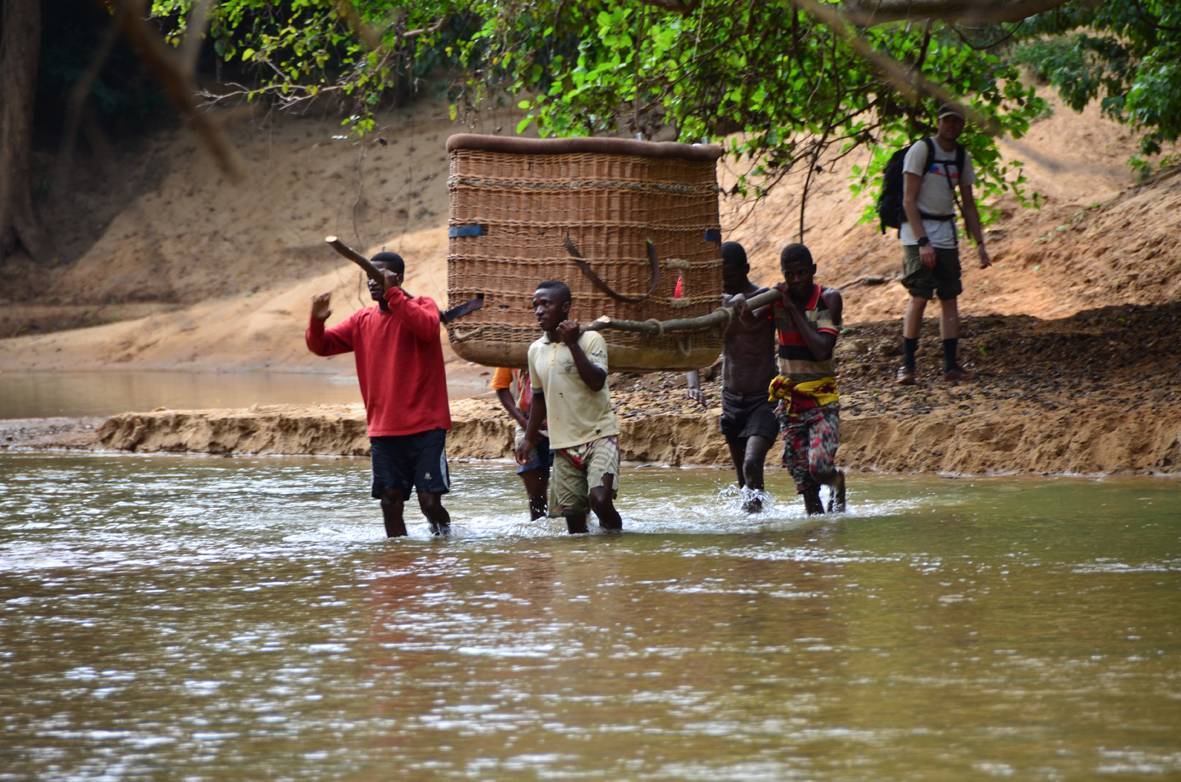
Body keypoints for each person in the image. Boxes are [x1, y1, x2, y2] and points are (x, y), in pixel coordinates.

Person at [306, 251, 452, 538]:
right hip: (384, 430)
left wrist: (394, 295)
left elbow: (426, 329)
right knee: (390, 502)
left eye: (378, 276)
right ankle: (397, 564)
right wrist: (316, 321)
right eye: (369, 277)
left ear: (397, 278)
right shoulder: (362, 319)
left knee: (430, 503)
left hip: (426, 427)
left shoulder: (423, 306)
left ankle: (446, 542)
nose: (372, 283)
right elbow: (321, 346)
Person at [515, 280, 622, 534]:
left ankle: (617, 546)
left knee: (600, 500)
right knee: (573, 522)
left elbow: (596, 382)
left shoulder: (591, 339)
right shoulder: (535, 351)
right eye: (535, 305)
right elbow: (538, 398)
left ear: (565, 307)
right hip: (562, 444)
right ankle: (583, 569)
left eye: (546, 304)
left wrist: (572, 343)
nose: (539, 311)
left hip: (600, 436)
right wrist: (529, 439)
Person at [897, 103, 992, 385]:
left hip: (946, 231)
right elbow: (908, 200)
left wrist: (980, 243)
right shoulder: (921, 150)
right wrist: (923, 242)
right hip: (917, 232)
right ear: (938, 122)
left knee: (950, 296)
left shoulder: (962, 156)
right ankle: (907, 365)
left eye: (956, 122)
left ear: (962, 126)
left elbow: (969, 203)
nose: (951, 126)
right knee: (920, 295)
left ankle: (951, 365)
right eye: (946, 121)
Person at [769, 243, 846, 515]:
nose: (797, 280)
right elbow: (750, 324)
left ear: (813, 271)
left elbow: (821, 348)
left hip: (822, 399)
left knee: (820, 466)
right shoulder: (776, 301)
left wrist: (791, 309)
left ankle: (837, 482)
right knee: (803, 480)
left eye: (802, 273)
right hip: (790, 404)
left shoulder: (827, 299)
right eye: (790, 275)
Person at [713, 241, 779, 513]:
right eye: (721, 276)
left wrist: (740, 305)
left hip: (763, 398)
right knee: (743, 479)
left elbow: (752, 323)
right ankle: (754, 534)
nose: (725, 281)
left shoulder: (765, 297)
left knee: (753, 463)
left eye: (730, 275)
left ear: (746, 269)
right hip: (731, 399)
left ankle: (757, 526)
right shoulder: (716, 304)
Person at [490, 366, 551, 519]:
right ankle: (542, 538)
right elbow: (501, 387)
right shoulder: (510, 350)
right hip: (526, 422)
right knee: (536, 496)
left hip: (561, 423)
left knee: (571, 491)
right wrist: (524, 423)